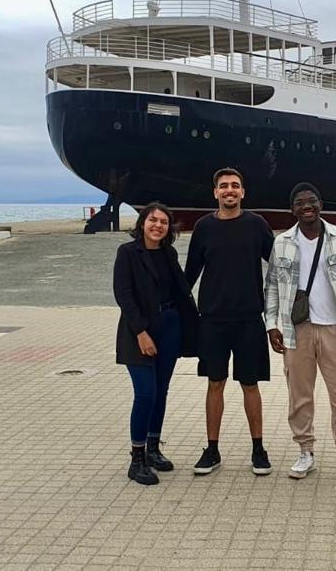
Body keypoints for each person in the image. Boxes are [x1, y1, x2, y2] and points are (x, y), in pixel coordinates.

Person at [264, 183, 336, 481]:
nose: (306, 206)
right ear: (292, 209)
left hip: (335, 328)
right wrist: (271, 325)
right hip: (296, 330)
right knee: (299, 396)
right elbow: (271, 285)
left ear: (321, 204)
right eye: (300, 203)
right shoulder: (282, 242)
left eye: (311, 201)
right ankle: (305, 452)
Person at [185, 168, 276, 476]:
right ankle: (212, 450)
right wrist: (171, 310)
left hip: (249, 319)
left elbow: (280, 264)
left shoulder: (256, 224)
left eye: (235, 186)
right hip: (212, 320)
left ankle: (258, 449)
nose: (229, 190)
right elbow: (190, 274)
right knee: (215, 383)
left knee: (250, 385)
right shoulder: (203, 227)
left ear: (243, 192)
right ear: (215, 192)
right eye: (223, 186)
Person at [113, 202, 199, 485]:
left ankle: (153, 448)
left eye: (163, 222)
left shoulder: (168, 253)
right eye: (153, 220)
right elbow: (124, 296)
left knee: (161, 391)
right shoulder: (128, 253)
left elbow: (180, 290)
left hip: (170, 326)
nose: (158, 226)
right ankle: (136, 458)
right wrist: (141, 332)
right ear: (142, 223)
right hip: (139, 331)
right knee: (145, 393)